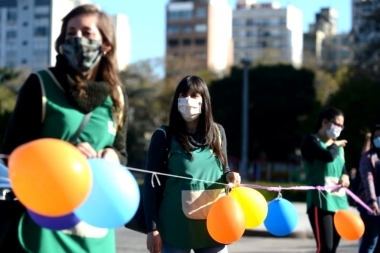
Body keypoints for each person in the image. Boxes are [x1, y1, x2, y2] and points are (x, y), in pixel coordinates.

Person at [0, 4, 128, 253]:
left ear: (106, 44)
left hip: (95, 224)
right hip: (44, 222)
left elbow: (121, 153)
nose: (78, 38)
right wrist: (64, 155)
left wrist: (113, 156)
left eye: (87, 32)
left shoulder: (117, 96)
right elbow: (11, 153)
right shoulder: (41, 84)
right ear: (61, 41)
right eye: (71, 33)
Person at [143, 76, 240, 253]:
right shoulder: (163, 136)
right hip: (175, 232)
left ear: (204, 100)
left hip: (213, 229)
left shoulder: (218, 133)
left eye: (195, 95)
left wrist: (229, 175)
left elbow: (223, 168)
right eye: (183, 94)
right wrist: (152, 228)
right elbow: (150, 184)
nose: (188, 100)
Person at [300, 108, 350, 253]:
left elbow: (343, 168)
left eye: (342, 126)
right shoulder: (311, 141)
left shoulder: (338, 148)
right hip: (320, 201)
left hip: (339, 202)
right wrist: (336, 144)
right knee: (325, 248)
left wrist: (345, 177)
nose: (339, 129)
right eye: (337, 124)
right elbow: (327, 156)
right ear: (325, 122)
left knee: (333, 248)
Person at [356, 124, 380, 253]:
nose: (379, 138)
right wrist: (372, 201)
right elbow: (368, 180)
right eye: (376, 136)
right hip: (372, 205)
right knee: (370, 242)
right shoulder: (369, 157)